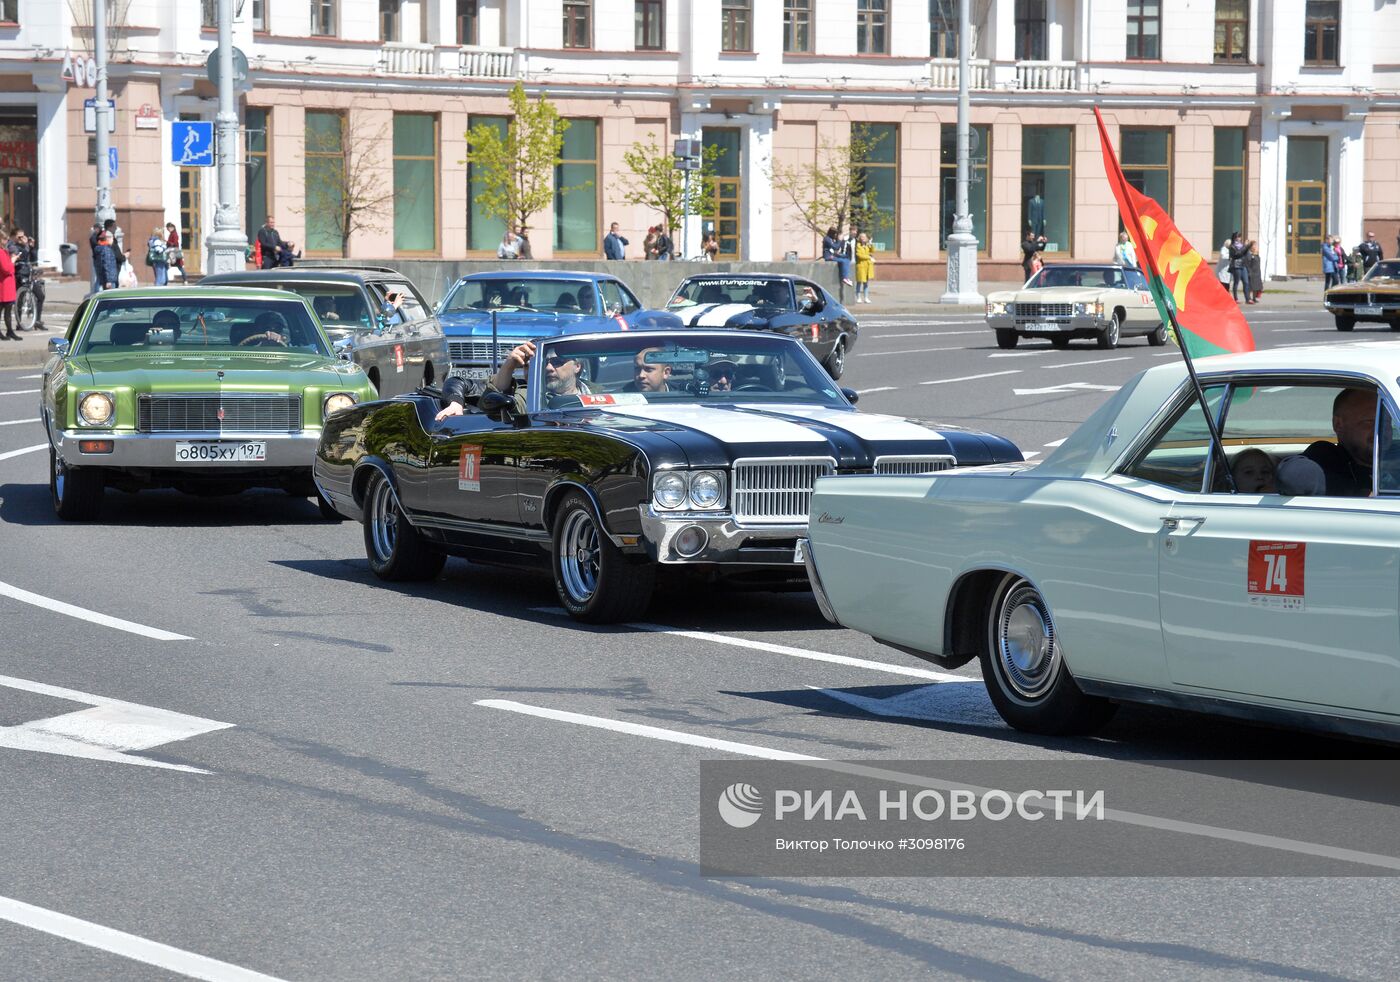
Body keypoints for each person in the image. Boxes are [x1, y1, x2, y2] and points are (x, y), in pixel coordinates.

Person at [1303, 387, 1377, 497]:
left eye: (1386, 421)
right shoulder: (1330, 458)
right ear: (1338, 424)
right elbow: (1293, 476)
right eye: (1369, 422)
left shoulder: (1394, 455)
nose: (1381, 429)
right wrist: (1364, 494)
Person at [8, 230, 46, 330]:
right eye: (19, 237)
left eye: (23, 236)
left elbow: (33, 258)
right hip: (19, 275)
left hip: (28, 274)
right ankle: (19, 323)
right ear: (14, 237)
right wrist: (25, 246)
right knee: (20, 299)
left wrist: (32, 247)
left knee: (40, 296)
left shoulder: (24, 246)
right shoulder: (11, 245)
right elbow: (20, 256)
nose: (21, 239)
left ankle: (37, 320)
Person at [1228, 231, 1253, 304]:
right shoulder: (1232, 246)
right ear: (1234, 238)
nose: (1239, 238)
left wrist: (1248, 245)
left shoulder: (1242, 245)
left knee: (1246, 282)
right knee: (1236, 283)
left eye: (1239, 237)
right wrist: (1245, 246)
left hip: (1243, 265)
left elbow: (1245, 253)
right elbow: (1237, 254)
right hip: (1236, 266)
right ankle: (1236, 298)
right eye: (1237, 237)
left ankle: (1248, 299)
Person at [0, 235, 15, 341]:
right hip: (3, 286)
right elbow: (6, 269)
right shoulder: (1, 252)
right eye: (4, 239)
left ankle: (10, 331)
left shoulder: (4, 251)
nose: (7, 241)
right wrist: (13, 261)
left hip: (8, 285)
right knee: (2, 310)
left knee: (8, 310)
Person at [853, 232, 874, 304]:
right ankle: (858, 297)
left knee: (866, 283)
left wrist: (871, 244)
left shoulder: (868, 245)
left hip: (868, 266)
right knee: (859, 282)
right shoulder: (858, 246)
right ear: (860, 238)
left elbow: (873, 251)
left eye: (865, 237)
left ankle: (866, 297)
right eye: (862, 237)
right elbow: (859, 255)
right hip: (861, 266)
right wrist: (869, 257)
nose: (864, 238)